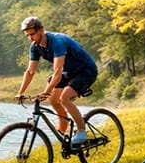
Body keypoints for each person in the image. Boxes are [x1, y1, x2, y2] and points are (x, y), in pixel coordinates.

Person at [15, 16, 98, 145]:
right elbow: (30, 71)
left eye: (32, 34)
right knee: (53, 99)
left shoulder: (58, 41)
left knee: (64, 98)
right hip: (69, 72)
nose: (30, 38)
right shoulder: (35, 47)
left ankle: (82, 132)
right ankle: (63, 132)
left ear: (41, 30)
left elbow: (57, 72)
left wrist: (46, 91)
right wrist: (20, 92)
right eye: (27, 35)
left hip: (86, 70)